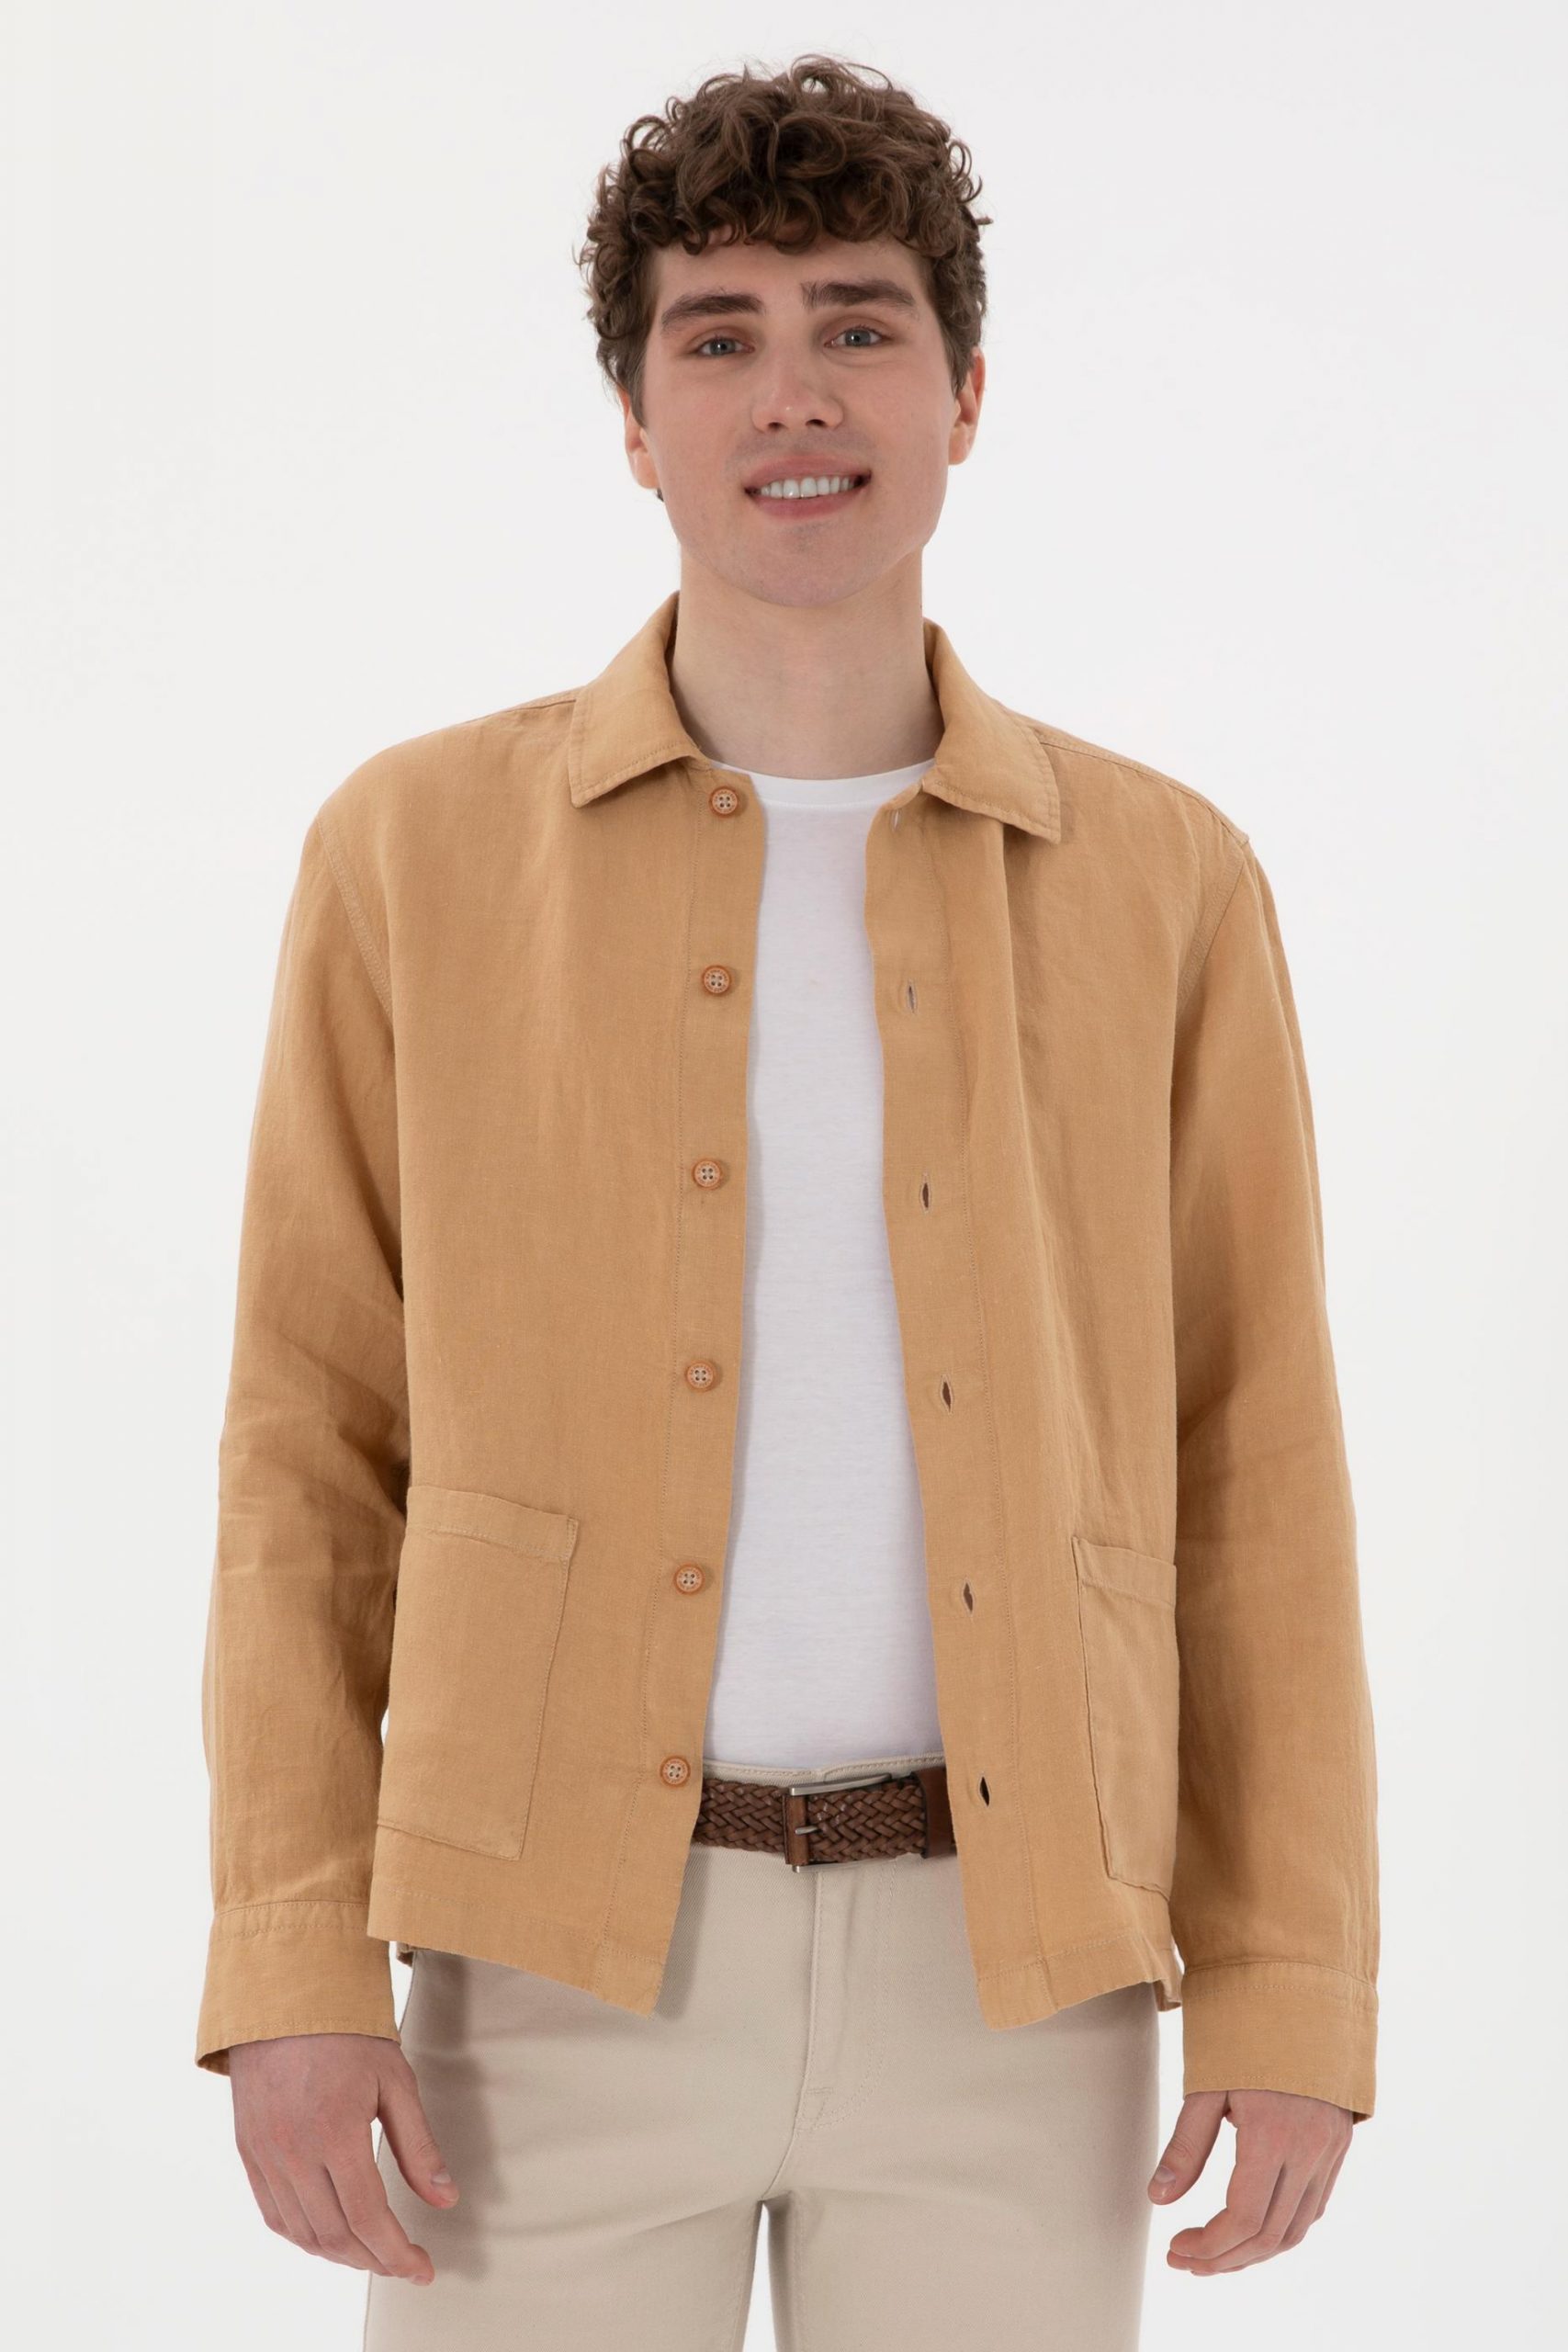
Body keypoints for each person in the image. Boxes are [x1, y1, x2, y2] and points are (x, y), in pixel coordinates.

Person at [195, 53, 1380, 2351]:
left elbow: (1251, 1454)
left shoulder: (1162, 880)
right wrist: (288, 1954)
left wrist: (1288, 1975)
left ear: (962, 394)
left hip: (1012, 1986)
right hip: (538, 1974)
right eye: (716, 334)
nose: (790, 392)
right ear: (635, 424)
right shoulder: (412, 855)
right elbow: (307, 1445)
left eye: (856, 324)